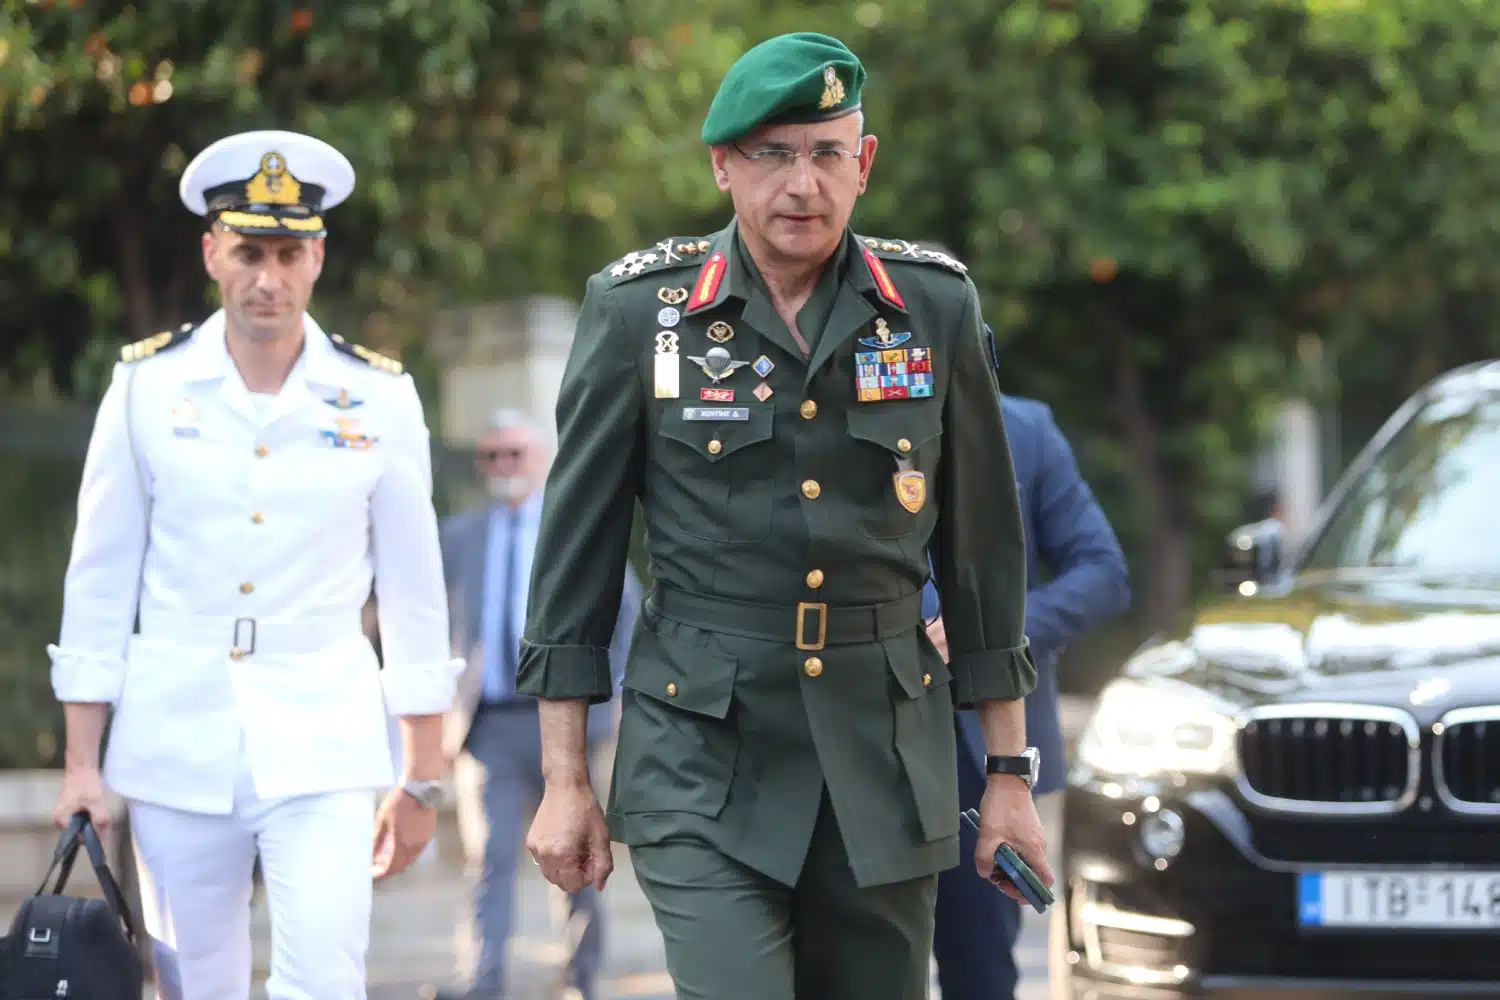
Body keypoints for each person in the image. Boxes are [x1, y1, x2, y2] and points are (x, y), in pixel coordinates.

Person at [514, 31, 1050, 1000]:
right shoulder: (641, 313)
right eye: (772, 154)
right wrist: (565, 778)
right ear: (723, 165)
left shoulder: (931, 307)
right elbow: (575, 558)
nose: (802, 184)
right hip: (703, 756)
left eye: (826, 153)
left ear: (864, 164)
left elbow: (982, 560)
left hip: (883, 760)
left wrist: (1008, 774)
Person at [46, 129, 461, 1000]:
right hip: (176, 734)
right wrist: (83, 761)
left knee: (326, 981)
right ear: (212, 254)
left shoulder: (379, 398)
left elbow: (416, 594)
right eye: (248, 252)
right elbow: (99, 580)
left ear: (317, 258)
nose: (267, 278)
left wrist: (422, 775)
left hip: (324, 735)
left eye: (286, 253)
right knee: (196, 984)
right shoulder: (147, 389)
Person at [926, 392, 1131, 1000]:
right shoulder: (829, 409)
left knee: (981, 974)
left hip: (980, 754)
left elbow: (1104, 574)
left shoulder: (1025, 430)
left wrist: (994, 633)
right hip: (854, 738)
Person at [434, 408, 641, 1000]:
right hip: (489, 725)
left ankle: (580, 979)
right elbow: (432, 622)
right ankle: (482, 983)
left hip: (571, 721)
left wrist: (618, 696)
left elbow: (627, 611)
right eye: (493, 455)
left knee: (576, 855)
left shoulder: (574, 528)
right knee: (488, 857)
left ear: (541, 459)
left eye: (515, 453)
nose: (504, 465)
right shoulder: (458, 537)